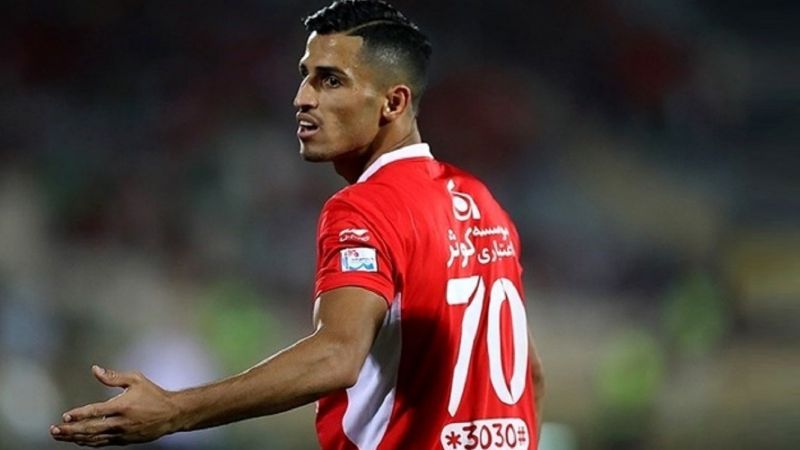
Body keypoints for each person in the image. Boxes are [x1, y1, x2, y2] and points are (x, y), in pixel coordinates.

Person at [50, 1, 545, 448]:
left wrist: (176, 410)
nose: (302, 98)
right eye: (306, 76)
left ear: (393, 103)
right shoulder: (483, 202)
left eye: (330, 81)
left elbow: (337, 356)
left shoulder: (366, 207)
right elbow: (530, 375)